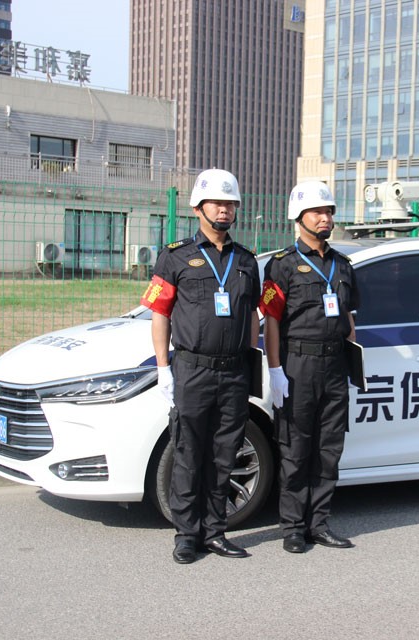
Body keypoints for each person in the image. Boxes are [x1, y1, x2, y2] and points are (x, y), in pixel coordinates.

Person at [140, 168, 261, 565]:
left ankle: (215, 531)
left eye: (230, 204)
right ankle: (186, 534)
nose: (224, 210)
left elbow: (252, 316)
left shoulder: (246, 261)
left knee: (225, 453)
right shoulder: (175, 256)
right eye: (217, 203)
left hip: (234, 371)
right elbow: (160, 313)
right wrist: (164, 368)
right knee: (189, 452)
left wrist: (252, 362)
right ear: (197, 208)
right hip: (192, 369)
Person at [259, 181, 360, 554]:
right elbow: (271, 320)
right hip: (297, 366)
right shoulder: (282, 265)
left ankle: (319, 524)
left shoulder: (342, 264)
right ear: (298, 217)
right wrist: (275, 369)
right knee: (296, 449)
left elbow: (349, 316)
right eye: (317, 212)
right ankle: (292, 528)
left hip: (334, 365)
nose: (325, 218)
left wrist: (353, 359)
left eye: (329, 211)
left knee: (329, 449)